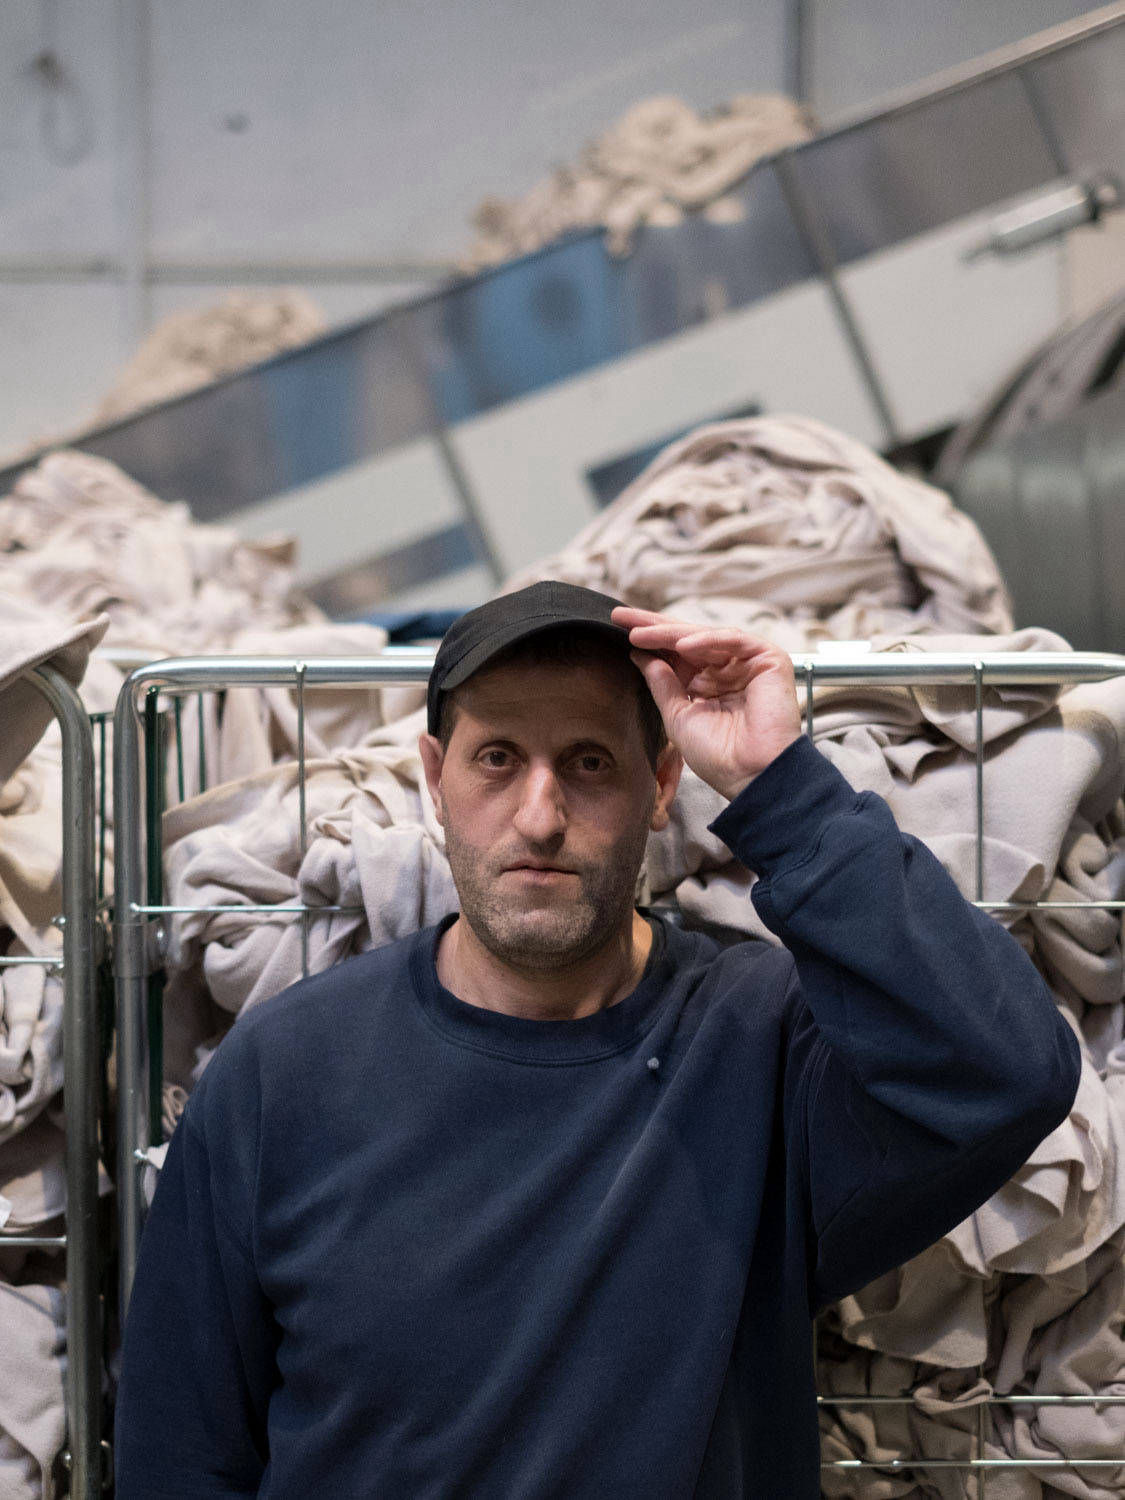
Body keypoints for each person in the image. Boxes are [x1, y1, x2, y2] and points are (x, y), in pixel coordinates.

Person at [114, 580, 1080, 1498]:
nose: (539, 817)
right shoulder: (283, 1072)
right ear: (434, 778)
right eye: (497, 759)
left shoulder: (761, 1043)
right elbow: (181, 1455)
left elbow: (1007, 1074)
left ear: (661, 786)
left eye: (588, 763)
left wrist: (781, 789)